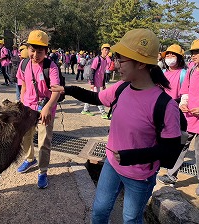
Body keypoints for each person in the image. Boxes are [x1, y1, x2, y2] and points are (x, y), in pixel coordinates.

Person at [51, 28, 181, 223]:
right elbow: (95, 97)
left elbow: (170, 151)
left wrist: (131, 156)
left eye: (121, 59)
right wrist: (67, 89)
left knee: (130, 219)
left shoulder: (165, 105)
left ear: (140, 63)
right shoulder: (122, 88)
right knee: (99, 211)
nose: (115, 64)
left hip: (140, 175)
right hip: (112, 164)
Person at [157, 38, 199, 197]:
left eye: (197, 52)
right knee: (180, 146)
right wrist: (183, 103)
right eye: (191, 52)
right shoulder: (192, 69)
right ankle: (171, 175)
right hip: (188, 117)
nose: (193, 55)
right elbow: (186, 91)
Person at [16, 30, 61, 189]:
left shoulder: (51, 66)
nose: (35, 55)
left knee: (43, 142)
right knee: (25, 137)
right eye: (32, 50)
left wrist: (48, 107)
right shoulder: (24, 64)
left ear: (46, 51)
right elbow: (23, 86)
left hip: (45, 109)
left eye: (40, 51)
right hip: (28, 108)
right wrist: (21, 103)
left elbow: (56, 90)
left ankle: (42, 171)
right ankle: (29, 159)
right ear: (27, 48)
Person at [81, 44, 110, 119]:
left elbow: (102, 73)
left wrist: (103, 84)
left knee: (91, 96)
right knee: (97, 97)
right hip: (94, 82)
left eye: (108, 50)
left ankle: (85, 110)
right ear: (101, 50)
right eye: (105, 50)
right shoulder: (97, 59)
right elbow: (92, 71)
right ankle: (103, 113)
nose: (107, 52)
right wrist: (92, 82)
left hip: (99, 82)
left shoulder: (105, 60)